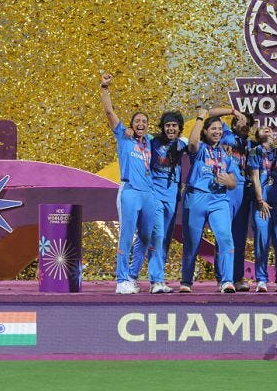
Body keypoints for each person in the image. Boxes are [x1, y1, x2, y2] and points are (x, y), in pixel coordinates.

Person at [99, 73, 164, 294]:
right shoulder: (123, 136)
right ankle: (121, 280)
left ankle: (132, 277)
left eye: (144, 122)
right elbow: (109, 112)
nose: (141, 124)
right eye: (137, 121)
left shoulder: (149, 142)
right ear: (132, 124)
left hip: (148, 194)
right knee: (127, 235)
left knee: (146, 236)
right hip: (129, 192)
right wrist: (104, 87)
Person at [180, 110, 239, 293]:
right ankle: (186, 282)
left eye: (220, 129)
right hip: (196, 197)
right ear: (205, 131)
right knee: (192, 242)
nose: (217, 132)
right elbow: (190, 143)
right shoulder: (199, 149)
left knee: (225, 237)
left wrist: (228, 181)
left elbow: (233, 182)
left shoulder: (225, 154)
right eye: (213, 128)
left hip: (218, 200)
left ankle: (227, 281)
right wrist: (199, 118)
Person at [129, 110, 186, 294]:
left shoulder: (181, 143)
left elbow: (194, 143)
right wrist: (129, 130)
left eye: (174, 126)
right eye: (167, 125)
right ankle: (156, 280)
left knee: (155, 238)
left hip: (172, 196)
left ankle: (132, 275)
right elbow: (136, 136)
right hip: (154, 195)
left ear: (179, 129)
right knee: (158, 236)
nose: (170, 128)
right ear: (162, 127)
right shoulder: (152, 141)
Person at [213, 108, 254, 292]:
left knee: (239, 236)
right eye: (242, 121)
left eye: (248, 124)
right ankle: (222, 277)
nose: (245, 125)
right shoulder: (225, 134)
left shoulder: (249, 144)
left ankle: (236, 277)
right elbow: (211, 114)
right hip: (226, 190)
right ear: (234, 122)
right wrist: (232, 111)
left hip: (243, 192)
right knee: (223, 234)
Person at [248, 126, 277, 292]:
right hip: (262, 204)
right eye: (262, 128)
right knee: (261, 242)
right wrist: (260, 199)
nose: (266, 129)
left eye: (269, 129)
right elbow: (255, 177)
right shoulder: (255, 152)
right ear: (257, 135)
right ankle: (261, 279)